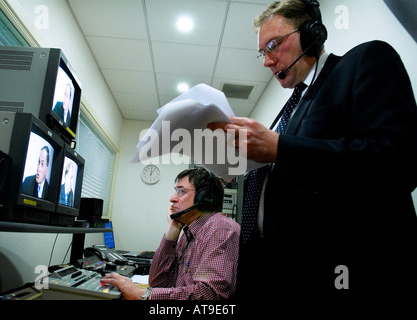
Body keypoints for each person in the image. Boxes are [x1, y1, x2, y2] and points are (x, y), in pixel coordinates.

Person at [208, 0, 417, 297]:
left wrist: (281, 149)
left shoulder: (366, 60)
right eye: (261, 53)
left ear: (312, 34)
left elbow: (398, 160)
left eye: (274, 45)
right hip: (283, 274)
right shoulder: (292, 109)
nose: (267, 60)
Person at [101, 167, 240, 300]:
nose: (172, 198)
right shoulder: (189, 233)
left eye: (181, 191)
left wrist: (142, 294)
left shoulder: (220, 229)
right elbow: (158, 282)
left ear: (204, 198)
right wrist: (172, 230)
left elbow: (210, 295)